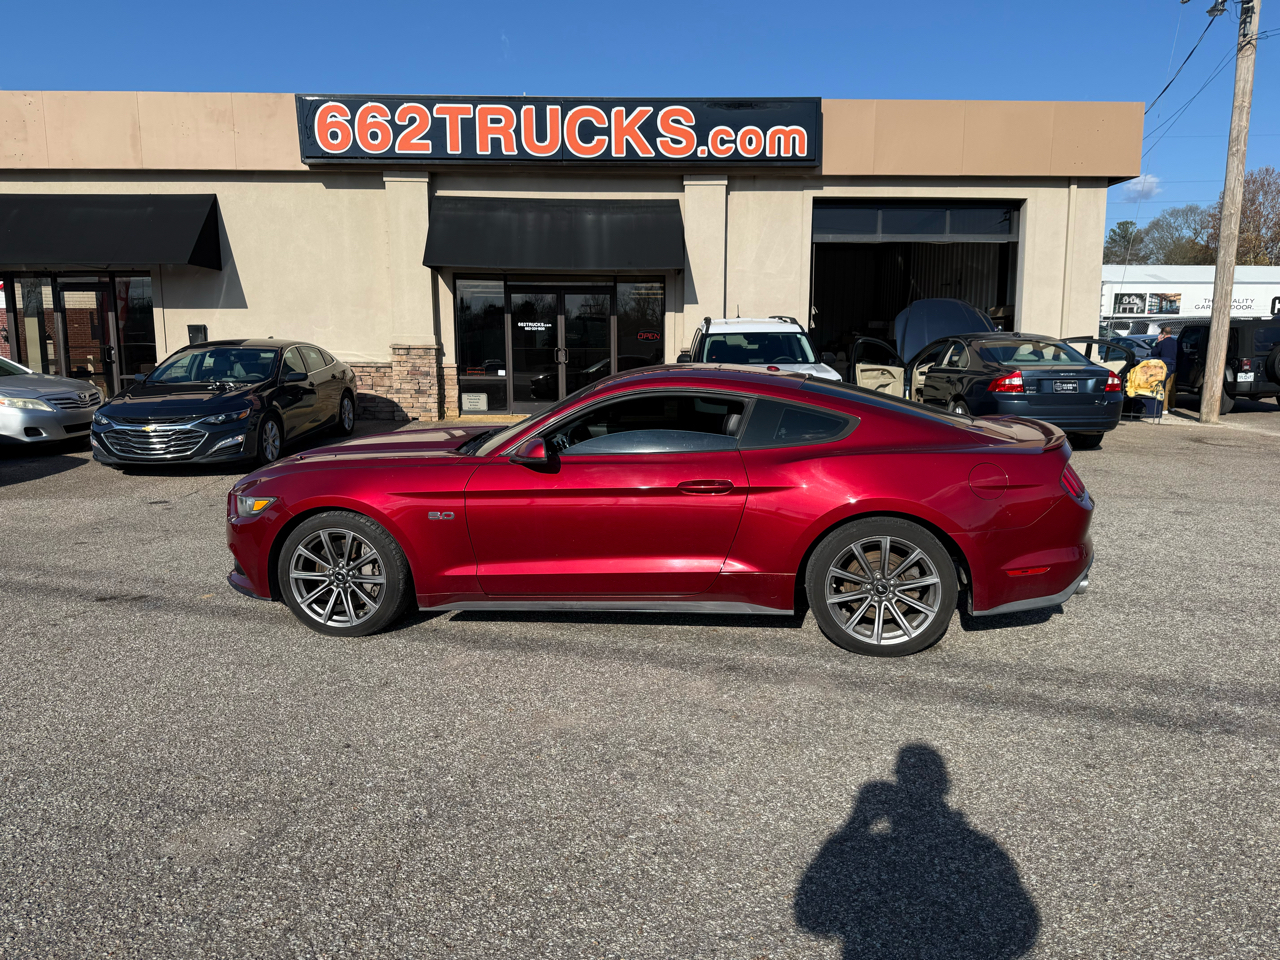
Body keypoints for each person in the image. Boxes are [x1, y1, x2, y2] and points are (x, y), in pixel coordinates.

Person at [1150, 325, 1178, 416]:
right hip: (1174, 366)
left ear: (1163, 333)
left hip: (1165, 367)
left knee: (1165, 387)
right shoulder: (1176, 343)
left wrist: (1158, 341)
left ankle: (1164, 408)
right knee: (1172, 387)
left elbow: (1154, 352)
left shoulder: (1162, 343)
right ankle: (1172, 406)